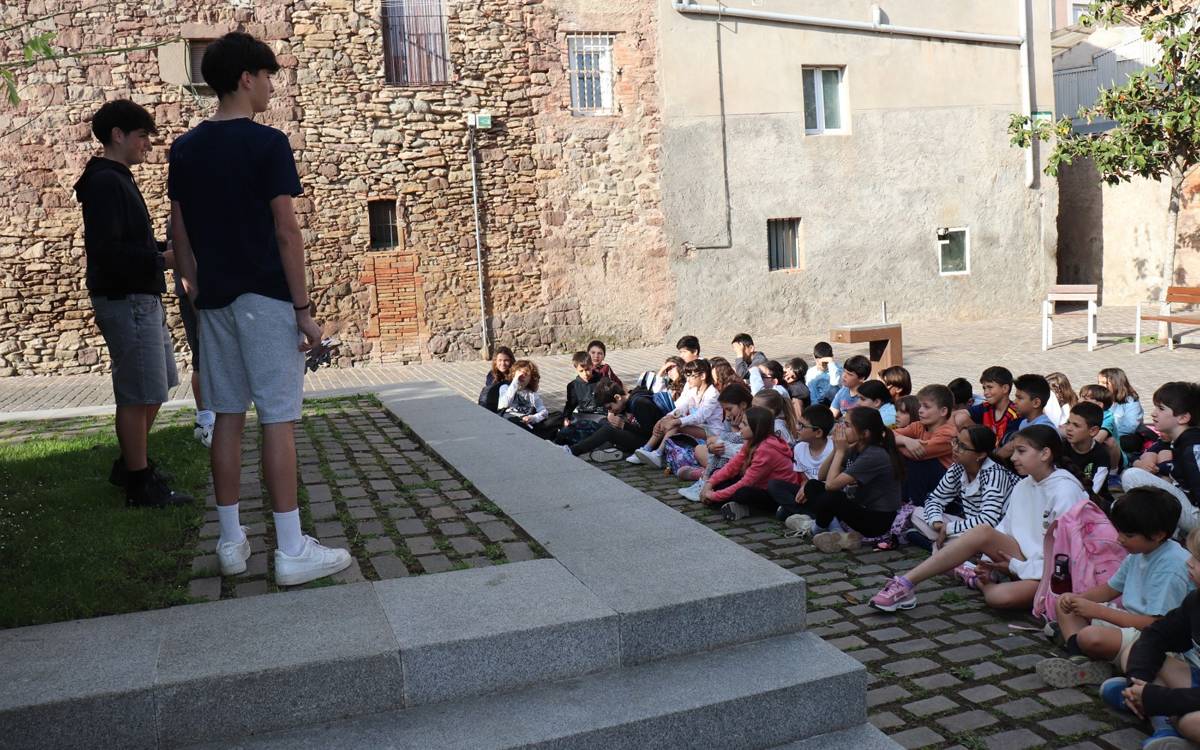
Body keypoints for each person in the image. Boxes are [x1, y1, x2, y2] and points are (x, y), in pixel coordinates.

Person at [169, 32, 349, 584]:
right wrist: (302, 307)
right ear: (246, 78)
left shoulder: (184, 148)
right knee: (278, 418)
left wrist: (198, 290)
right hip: (267, 299)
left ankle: (230, 541)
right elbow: (286, 230)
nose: (272, 86)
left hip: (216, 301)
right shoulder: (268, 145)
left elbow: (178, 232)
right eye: (268, 76)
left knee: (225, 414)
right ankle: (291, 549)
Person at [77, 99, 192, 509]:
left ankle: (132, 464)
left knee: (156, 387)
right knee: (136, 393)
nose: (148, 144)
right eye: (142, 135)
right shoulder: (105, 182)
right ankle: (139, 484)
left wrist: (163, 249)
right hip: (125, 298)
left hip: (141, 296)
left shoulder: (116, 178)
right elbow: (107, 250)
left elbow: (128, 242)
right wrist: (161, 259)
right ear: (117, 135)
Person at [870, 425, 1087, 613]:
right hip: (1020, 557)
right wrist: (990, 562)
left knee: (999, 597)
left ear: (1045, 454)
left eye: (1021, 451)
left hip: (1050, 572)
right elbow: (1003, 529)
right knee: (970, 530)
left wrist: (1012, 566)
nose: (1013, 458)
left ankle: (972, 575)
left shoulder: (1064, 491)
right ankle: (906, 583)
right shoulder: (1024, 484)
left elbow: (1065, 556)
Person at [1034, 488, 1192, 689]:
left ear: (1158, 535)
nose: (1119, 539)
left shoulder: (1171, 567)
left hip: (1155, 639)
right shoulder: (1139, 552)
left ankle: (1081, 650)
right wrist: (1077, 600)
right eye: (1119, 531)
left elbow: (1155, 624)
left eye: (1128, 534)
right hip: (1128, 623)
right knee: (1064, 601)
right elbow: (1109, 589)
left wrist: (1097, 611)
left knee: (1090, 637)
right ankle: (1080, 659)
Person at [1108, 528, 1200, 749]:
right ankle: (1162, 723)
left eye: (1197, 558)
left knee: (1192, 723)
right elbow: (1156, 635)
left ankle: (1164, 717)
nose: (1188, 562)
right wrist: (1139, 680)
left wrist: (1160, 698)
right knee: (1133, 651)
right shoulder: (1196, 600)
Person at [796, 407, 905, 552]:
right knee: (812, 486)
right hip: (860, 507)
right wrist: (836, 449)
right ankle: (836, 532)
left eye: (846, 425)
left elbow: (830, 486)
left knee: (832, 497)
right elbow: (822, 476)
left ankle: (818, 529)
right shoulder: (856, 447)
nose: (840, 428)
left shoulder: (874, 454)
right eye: (841, 422)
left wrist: (841, 451)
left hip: (877, 520)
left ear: (864, 434)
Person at [910, 425, 1018, 549]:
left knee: (973, 539)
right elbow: (936, 498)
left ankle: (944, 547)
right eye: (956, 441)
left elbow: (988, 520)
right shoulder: (958, 467)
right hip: (969, 527)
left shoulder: (995, 475)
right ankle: (949, 545)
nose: (955, 448)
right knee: (917, 513)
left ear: (981, 455)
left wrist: (949, 528)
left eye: (962, 446)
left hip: (996, 532)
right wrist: (937, 523)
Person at [1123, 382, 1200, 534]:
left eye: (1161, 408)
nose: (1153, 413)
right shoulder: (1180, 440)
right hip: (1189, 507)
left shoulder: (1193, 446)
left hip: (1197, 519)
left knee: (1132, 476)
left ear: (1183, 418)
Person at [700, 406, 798, 521]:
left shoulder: (766, 449)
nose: (740, 426)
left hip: (776, 494)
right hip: (759, 484)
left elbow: (746, 482)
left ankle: (748, 509)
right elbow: (732, 466)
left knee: (742, 493)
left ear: (757, 429)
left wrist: (713, 495)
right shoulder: (751, 441)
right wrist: (709, 484)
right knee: (719, 483)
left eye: (744, 424)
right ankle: (733, 504)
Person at [168, 217, 215, 449]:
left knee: (211, 357)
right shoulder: (181, 217)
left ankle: (212, 417)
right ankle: (205, 419)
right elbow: (177, 254)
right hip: (195, 297)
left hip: (215, 292)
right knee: (202, 358)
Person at [632, 359, 721, 467]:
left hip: (712, 431)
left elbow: (700, 417)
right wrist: (666, 418)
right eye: (687, 376)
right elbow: (681, 407)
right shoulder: (694, 390)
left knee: (676, 425)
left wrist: (676, 421)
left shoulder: (712, 394)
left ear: (702, 376)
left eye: (691, 376)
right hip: (699, 427)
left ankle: (659, 453)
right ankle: (647, 449)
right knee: (669, 420)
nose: (688, 379)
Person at [679, 382, 754, 502]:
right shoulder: (730, 419)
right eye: (725, 410)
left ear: (743, 404)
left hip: (741, 462)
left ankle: (703, 476)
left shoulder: (752, 419)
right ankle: (705, 476)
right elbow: (714, 439)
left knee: (717, 447)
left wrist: (734, 430)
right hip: (725, 458)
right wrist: (711, 448)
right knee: (699, 449)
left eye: (729, 409)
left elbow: (743, 446)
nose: (728, 414)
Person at [768, 404, 836, 529]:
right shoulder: (799, 448)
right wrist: (804, 486)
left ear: (818, 432)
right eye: (798, 423)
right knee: (774, 485)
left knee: (783, 513)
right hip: (808, 495)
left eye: (802, 426)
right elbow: (804, 477)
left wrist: (808, 487)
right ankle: (808, 516)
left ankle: (802, 514)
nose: (797, 428)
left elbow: (834, 482)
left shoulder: (833, 448)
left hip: (826, 494)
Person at [893, 384, 957, 505]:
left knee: (917, 463)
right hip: (924, 481)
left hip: (945, 486)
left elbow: (918, 454)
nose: (920, 410)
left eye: (926, 407)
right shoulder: (918, 426)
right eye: (920, 406)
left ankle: (915, 505)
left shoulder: (949, 434)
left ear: (943, 411)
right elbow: (886, 435)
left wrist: (895, 444)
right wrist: (905, 440)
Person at [567, 378, 664, 459]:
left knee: (608, 431)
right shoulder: (629, 401)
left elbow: (651, 433)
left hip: (651, 444)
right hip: (642, 438)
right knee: (605, 423)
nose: (611, 411)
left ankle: (573, 450)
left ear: (617, 397)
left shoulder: (640, 403)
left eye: (610, 407)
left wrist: (624, 425)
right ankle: (606, 450)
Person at [1063, 401, 1116, 511]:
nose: (1068, 428)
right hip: (1064, 498)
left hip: (1094, 501)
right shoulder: (1061, 448)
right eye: (1068, 422)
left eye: (1076, 425)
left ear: (1093, 431)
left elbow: (1095, 489)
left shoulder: (1102, 454)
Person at [994, 373, 1055, 461]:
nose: (1015, 402)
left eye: (1020, 398)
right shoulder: (1024, 423)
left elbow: (1008, 449)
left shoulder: (1044, 427)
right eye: (1015, 398)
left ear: (1036, 403)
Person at [556, 351, 607, 449]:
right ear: (576, 369)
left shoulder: (602, 381)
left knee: (597, 429)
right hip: (581, 417)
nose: (585, 374)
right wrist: (566, 417)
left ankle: (578, 447)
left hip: (600, 417)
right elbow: (570, 405)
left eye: (588, 369)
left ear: (592, 366)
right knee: (562, 434)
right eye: (581, 371)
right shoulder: (573, 386)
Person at [497, 359, 552, 436]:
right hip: (509, 422)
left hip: (525, 424)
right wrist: (515, 382)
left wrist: (533, 418)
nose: (522, 376)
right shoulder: (505, 388)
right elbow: (504, 404)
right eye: (519, 372)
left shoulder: (531, 394)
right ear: (513, 374)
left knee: (556, 416)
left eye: (526, 374)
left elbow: (544, 412)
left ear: (530, 379)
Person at [968, 366, 1020, 445]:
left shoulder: (1015, 414)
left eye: (990, 387)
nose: (985, 393)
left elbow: (1009, 446)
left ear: (1005, 388)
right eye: (984, 388)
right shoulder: (985, 407)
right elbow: (960, 416)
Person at [1100, 367, 1145, 454]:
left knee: (1130, 442)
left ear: (1117, 384)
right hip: (1102, 433)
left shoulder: (1131, 402)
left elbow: (1130, 427)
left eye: (1104, 383)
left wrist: (1107, 433)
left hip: (1124, 436)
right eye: (1099, 382)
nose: (1100, 386)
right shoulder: (1101, 399)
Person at [1080, 383, 1124, 470]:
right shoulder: (1079, 414)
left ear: (1099, 405)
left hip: (1109, 458)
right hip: (1089, 449)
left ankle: (1113, 472)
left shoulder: (1108, 417)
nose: (1079, 400)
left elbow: (1098, 439)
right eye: (1080, 397)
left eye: (1084, 399)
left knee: (1110, 441)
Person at [478, 346, 515, 412]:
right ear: (495, 361)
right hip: (495, 404)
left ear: (511, 361)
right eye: (500, 360)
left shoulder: (515, 373)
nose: (503, 363)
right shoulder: (492, 374)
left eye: (506, 360)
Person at [806, 341, 840, 406]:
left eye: (825, 362)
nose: (822, 363)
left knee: (834, 388)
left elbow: (835, 384)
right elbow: (812, 395)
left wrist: (831, 363)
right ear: (813, 357)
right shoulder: (811, 372)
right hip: (817, 404)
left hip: (835, 403)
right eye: (818, 360)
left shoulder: (836, 369)